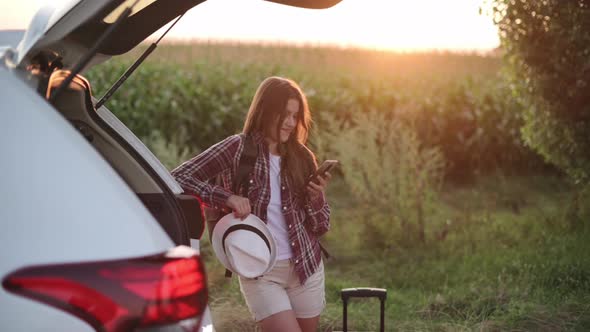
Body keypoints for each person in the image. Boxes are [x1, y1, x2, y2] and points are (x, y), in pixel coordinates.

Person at [171, 76, 331, 332]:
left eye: (295, 116)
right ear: (266, 111)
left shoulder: (303, 157)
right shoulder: (237, 148)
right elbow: (178, 177)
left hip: (306, 266)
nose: (291, 123)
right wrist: (227, 197)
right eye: (285, 115)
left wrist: (317, 198)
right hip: (260, 270)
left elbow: (321, 226)